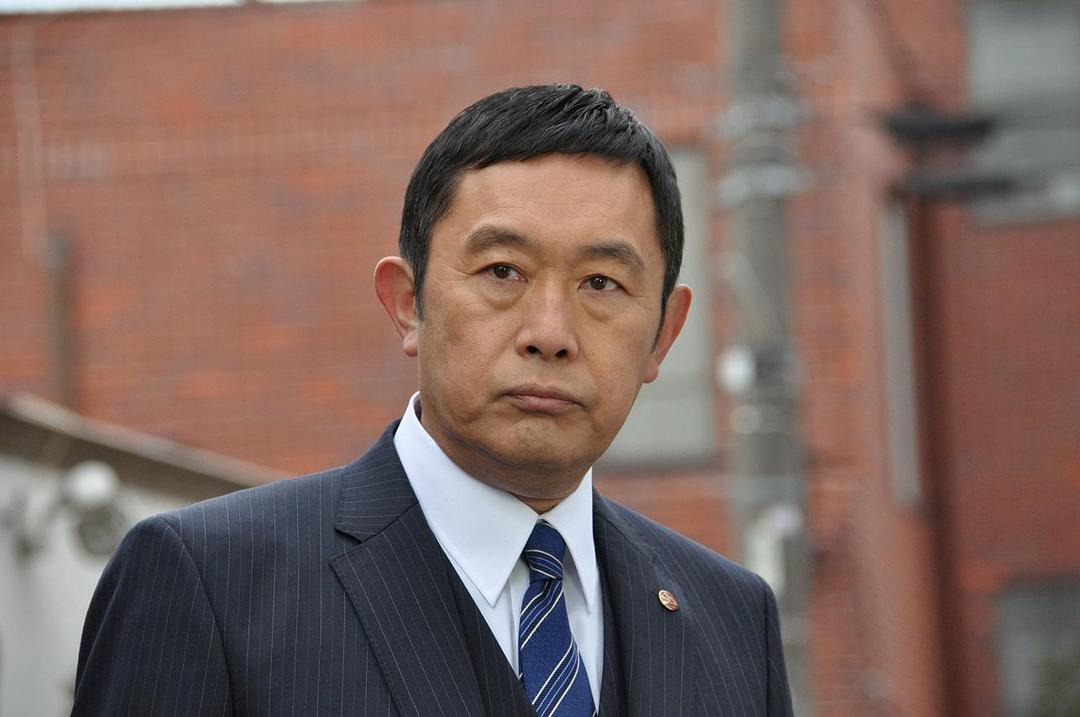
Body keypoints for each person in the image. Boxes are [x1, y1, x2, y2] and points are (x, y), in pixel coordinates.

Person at [73, 84, 793, 716]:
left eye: (601, 283)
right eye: (503, 270)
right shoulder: (211, 583)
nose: (550, 334)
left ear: (664, 334)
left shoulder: (733, 619)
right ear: (408, 303)